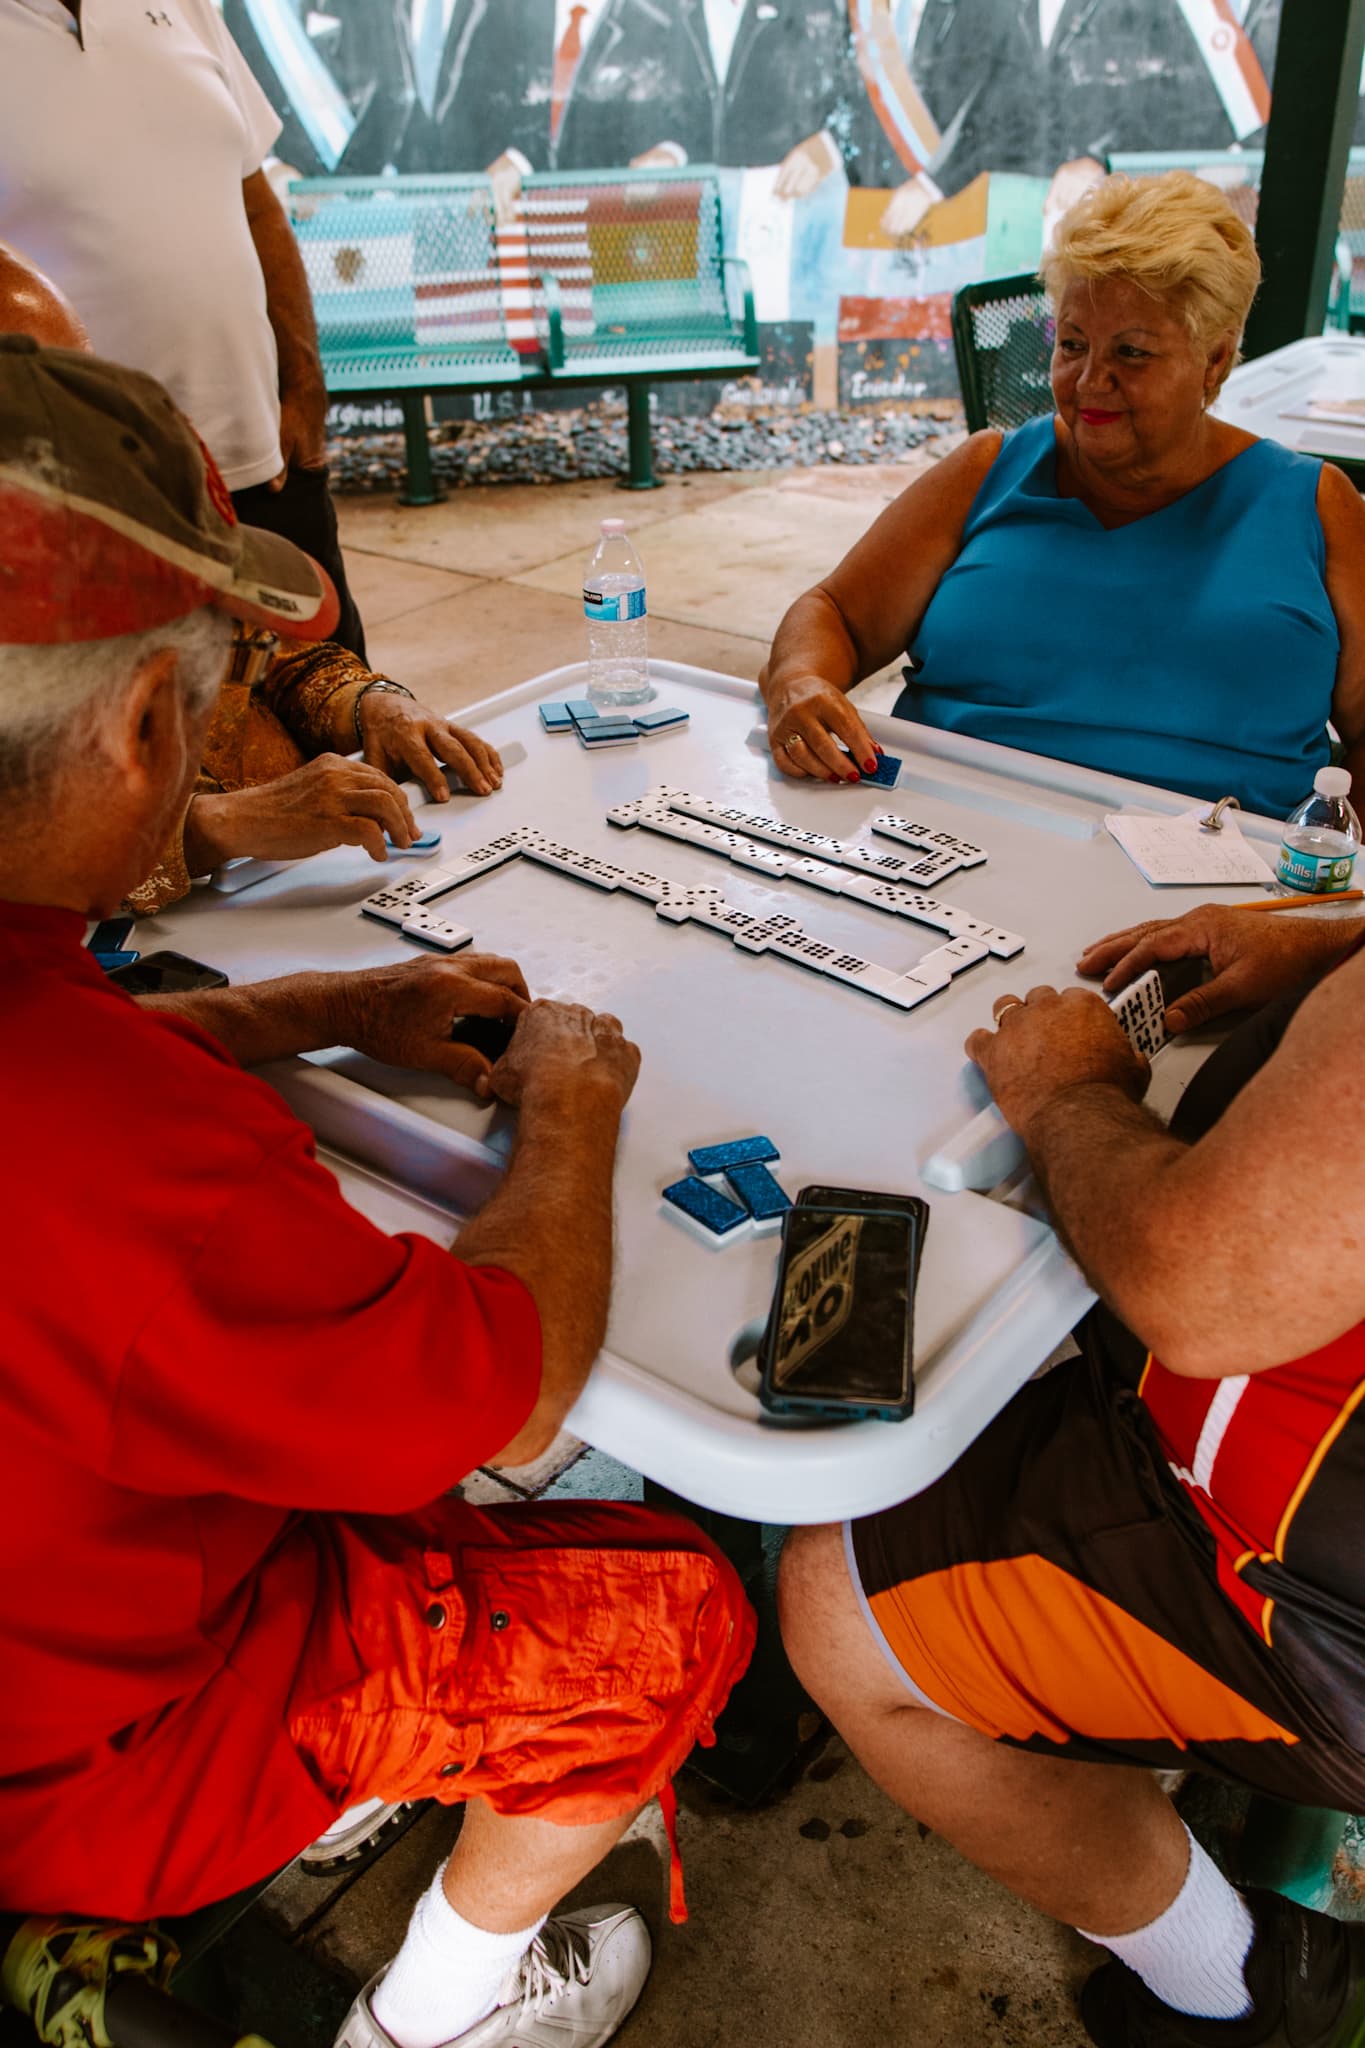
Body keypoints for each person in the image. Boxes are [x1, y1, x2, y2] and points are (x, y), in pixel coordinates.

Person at [0, 336, 754, 2048]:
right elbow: (505, 1391)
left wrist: (318, 1007)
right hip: (86, 1758)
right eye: (198, 710)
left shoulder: (65, 1048)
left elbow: (60, 1031)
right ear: (139, 726)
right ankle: (440, 2009)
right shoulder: (129, 1158)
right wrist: (567, 1104)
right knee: (661, 1611)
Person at [779, 894, 1365, 2047]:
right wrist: (1346, 932)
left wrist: (1066, 1095)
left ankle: (1231, 1986)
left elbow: (1189, 1282)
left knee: (831, 1604)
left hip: (1305, 1594)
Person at [760, 170, 1365, 820]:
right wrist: (800, 682)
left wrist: (1325, 905)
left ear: (1213, 361)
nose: (1087, 380)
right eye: (1071, 344)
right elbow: (836, 613)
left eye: (1131, 354)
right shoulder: (989, 470)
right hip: (949, 847)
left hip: (1217, 886)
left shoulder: (1315, 508)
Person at [0, 240, 503, 915]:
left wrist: (373, 704)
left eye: (81, 377)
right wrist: (216, 827)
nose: (88, 417)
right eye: (39, 399)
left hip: (303, 895)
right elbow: (32, 869)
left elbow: (278, 651)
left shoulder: (134, 497)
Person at [0, 0, 369, 659]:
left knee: (340, 711)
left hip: (267, 469)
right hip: (93, 507)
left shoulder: (183, 6)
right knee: (145, 749)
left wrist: (304, 384)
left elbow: (256, 203)